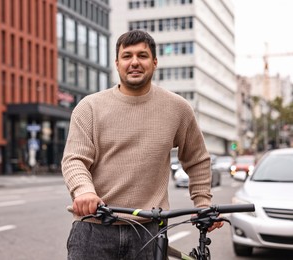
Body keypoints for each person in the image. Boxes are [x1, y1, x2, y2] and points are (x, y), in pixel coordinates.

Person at [61, 29, 223, 259]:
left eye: (142, 55)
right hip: (94, 227)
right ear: (117, 64)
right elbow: (74, 159)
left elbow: (197, 160)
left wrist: (203, 202)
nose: (134, 62)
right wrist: (84, 192)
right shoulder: (89, 108)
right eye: (127, 56)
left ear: (155, 62)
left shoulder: (178, 108)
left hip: (150, 230)